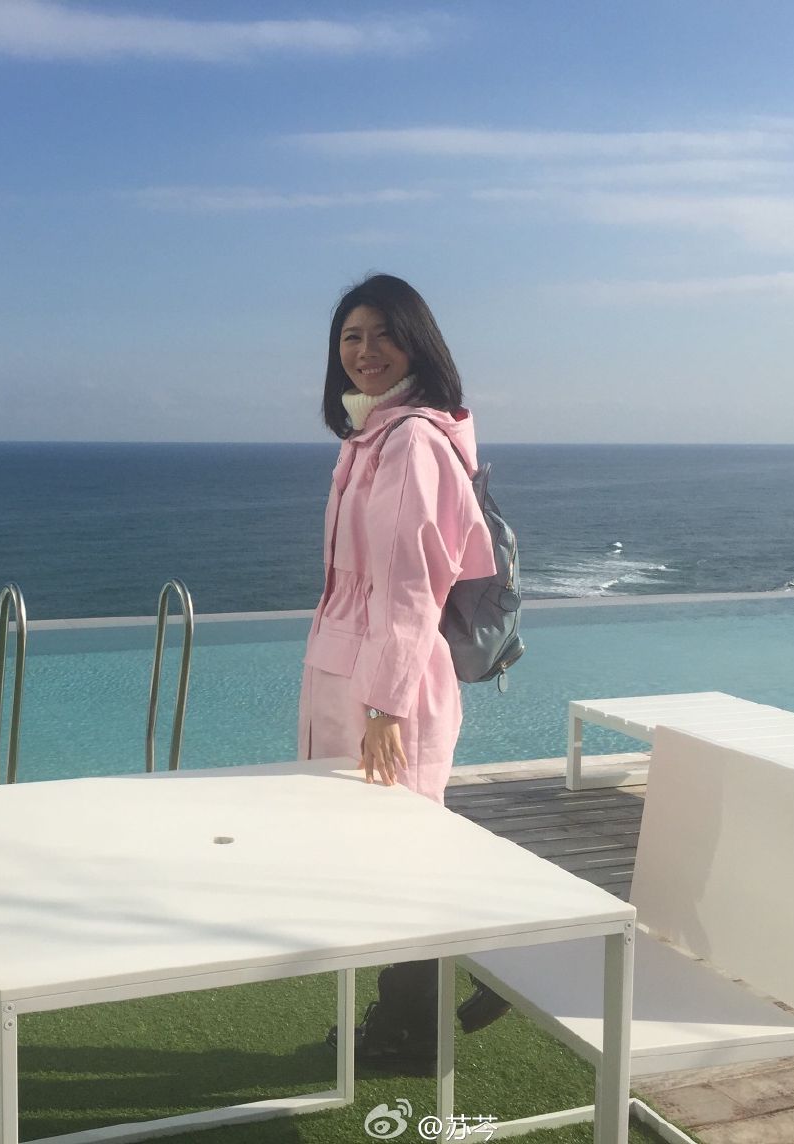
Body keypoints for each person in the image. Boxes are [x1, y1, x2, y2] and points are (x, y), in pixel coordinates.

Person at [298, 274, 509, 1071]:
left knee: (401, 860)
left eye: (384, 333)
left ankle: (417, 1024)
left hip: (387, 689)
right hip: (349, 676)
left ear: (417, 343)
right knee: (375, 858)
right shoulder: (368, 438)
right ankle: (410, 1020)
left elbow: (413, 584)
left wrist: (384, 706)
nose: (366, 351)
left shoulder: (412, 441)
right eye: (352, 337)